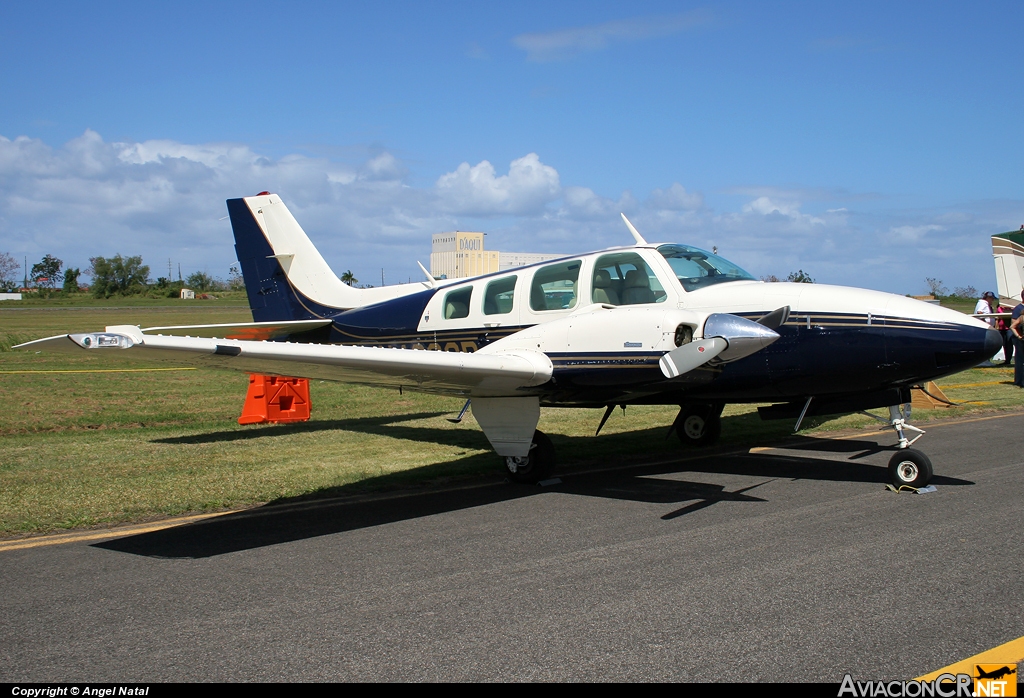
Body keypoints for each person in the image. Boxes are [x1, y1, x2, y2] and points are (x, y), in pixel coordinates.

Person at [997, 300, 1014, 366]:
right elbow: (1000, 315)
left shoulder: (1012, 308)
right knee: (1004, 344)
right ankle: (1006, 359)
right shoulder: (999, 308)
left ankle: (1008, 360)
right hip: (1002, 329)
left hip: (1008, 329)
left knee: (1009, 344)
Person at [1012, 291, 1024, 387]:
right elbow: (1013, 323)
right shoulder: (1018, 309)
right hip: (1020, 339)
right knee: (1020, 361)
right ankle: (1019, 380)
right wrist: (1019, 336)